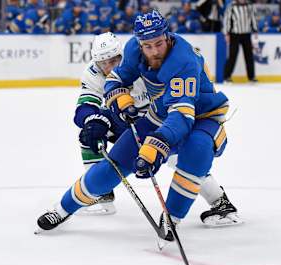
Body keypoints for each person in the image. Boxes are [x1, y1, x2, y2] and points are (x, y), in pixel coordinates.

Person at [36, 12, 242, 237]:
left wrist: (156, 144)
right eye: (148, 45)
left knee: (196, 151)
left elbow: (182, 115)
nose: (154, 51)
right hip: (160, 114)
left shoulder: (183, 61)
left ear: (168, 37)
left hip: (202, 116)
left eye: (159, 44)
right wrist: (121, 100)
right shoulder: (134, 49)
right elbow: (116, 79)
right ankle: (62, 209)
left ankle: (173, 218)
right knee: (113, 165)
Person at [223, 0, 258, 83]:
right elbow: (227, 20)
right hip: (235, 34)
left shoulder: (250, 6)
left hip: (247, 33)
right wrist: (226, 33)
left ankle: (251, 77)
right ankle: (227, 76)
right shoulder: (231, 6)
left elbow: (253, 18)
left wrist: (255, 30)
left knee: (249, 56)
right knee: (233, 55)